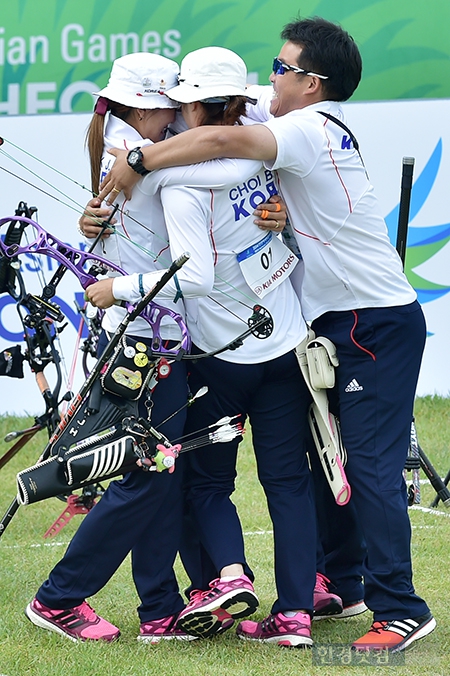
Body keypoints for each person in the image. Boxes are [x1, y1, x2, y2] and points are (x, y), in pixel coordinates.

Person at [98, 19, 435, 654]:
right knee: (320, 463)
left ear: (313, 83)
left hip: (374, 321)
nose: (269, 79)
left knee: (365, 466)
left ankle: (401, 607)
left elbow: (219, 135)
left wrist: (140, 162)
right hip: (331, 322)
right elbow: (222, 111)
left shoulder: (304, 126)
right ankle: (341, 584)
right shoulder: (290, 112)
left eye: (280, 69)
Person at [86, 46, 319, 648]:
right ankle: (294, 615)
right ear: (240, 98)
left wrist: (116, 286)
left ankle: (228, 578)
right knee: (288, 482)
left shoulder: (173, 178)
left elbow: (192, 277)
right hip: (286, 342)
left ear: (189, 103)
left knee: (204, 484)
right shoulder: (263, 137)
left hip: (223, 356)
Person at [25, 52, 200, 645]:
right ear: (142, 107)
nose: (178, 116)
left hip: (149, 335)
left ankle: (159, 608)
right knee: (148, 475)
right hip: (145, 340)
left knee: (159, 470)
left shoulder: (133, 147)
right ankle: (59, 598)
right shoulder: (141, 156)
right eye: (169, 107)